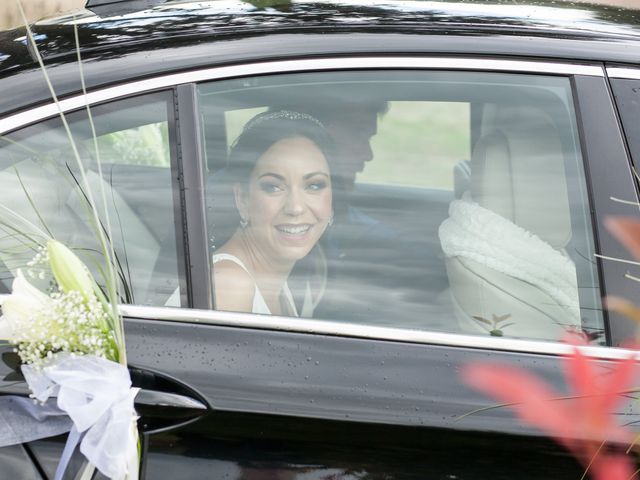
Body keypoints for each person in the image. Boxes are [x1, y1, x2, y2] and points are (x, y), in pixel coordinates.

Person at [211, 110, 334, 316]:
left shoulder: (276, 283)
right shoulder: (230, 286)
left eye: (314, 186)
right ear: (242, 198)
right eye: (273, 187)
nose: (295, 208)